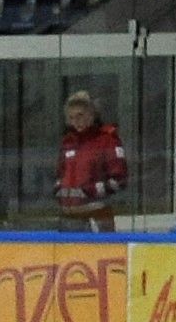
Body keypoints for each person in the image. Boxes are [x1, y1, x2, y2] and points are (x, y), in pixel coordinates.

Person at [53, 91, 128, 232]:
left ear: (91, 114)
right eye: (71, 117)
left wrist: (91, 190)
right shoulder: (68, 142)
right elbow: (60, 173)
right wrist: (59, 189)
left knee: (98, 247)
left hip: (97, 213)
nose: (76, 121)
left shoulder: (107, 140)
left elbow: (119, 179)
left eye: (80, 116)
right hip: (68, 214)